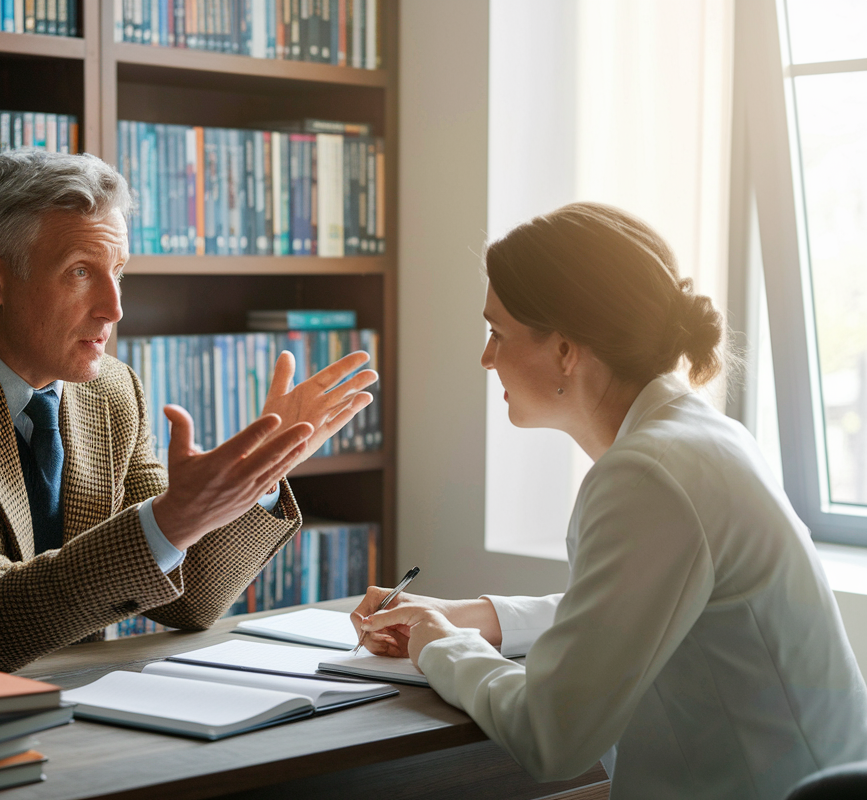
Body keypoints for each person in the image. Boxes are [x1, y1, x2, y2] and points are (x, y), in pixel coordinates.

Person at [354, 202, 867, 799]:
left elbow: (552, 735)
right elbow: (642, 612)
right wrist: (484, 619)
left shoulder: (647, 475)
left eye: (498, 332)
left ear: (567, 350)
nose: (486, 357)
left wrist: (440, 644)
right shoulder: (695, 438)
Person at [0, 151, 377, 671]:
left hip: (72, 705)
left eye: (120, 271)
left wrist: (262, 472)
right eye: (82, 271)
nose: (115, 307)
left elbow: (194, 599)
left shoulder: (112, 392)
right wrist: (173, 520)